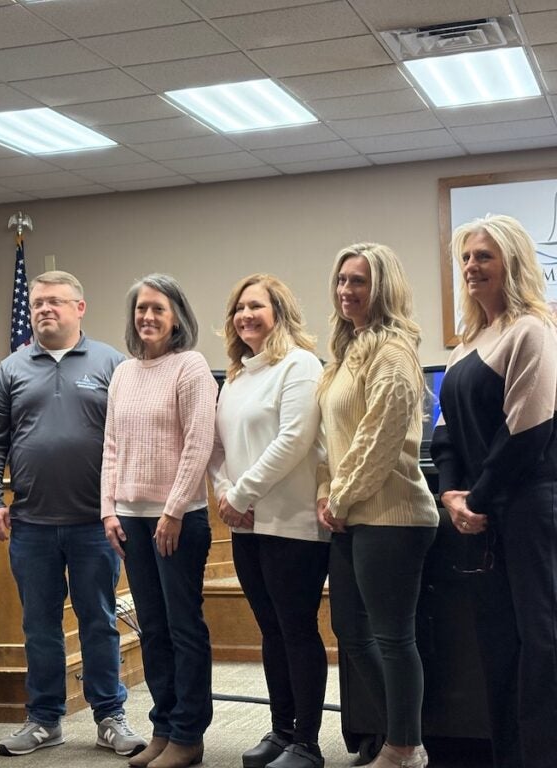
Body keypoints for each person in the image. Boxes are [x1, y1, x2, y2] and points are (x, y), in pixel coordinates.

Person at [0, 270, 147, 758]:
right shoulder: (10, 369)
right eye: (38, 303)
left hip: (96, 524)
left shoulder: (112, 364)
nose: (44, 309)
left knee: (98, 621)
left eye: (55, 301)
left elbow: (130, 438)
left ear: (80, 308)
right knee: (39, 627)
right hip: (31, 525)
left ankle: (110, 717)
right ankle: (44, 719)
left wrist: (122, 506)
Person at [431, 215, 557, 768]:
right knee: (499, 647)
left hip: (530, 510)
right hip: (481, 515)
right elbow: (444, 432)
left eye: (484, 255)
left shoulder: (532, 330)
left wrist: (474, 501)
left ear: (513, 262)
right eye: (466, 257)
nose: (471, 266)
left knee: (542, 645)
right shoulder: (468, 342)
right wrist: (451, 494)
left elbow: (527, 432)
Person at [317, 244, 438, 768]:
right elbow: (333, 440)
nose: (346, 290)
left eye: (359, 281)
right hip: (350, 515)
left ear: (383, 288)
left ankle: (405, 746)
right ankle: (399, 736)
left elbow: (378, 441)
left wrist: (340, 497)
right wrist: (327, 493)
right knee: (349, 630)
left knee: (392, 637)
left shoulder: (394, 352)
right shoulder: (346, 352)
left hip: (393, 517)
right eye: (342, 280)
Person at [210, 274, 329, 768]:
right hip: (245, 525)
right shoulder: (236, 376)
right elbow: (217, 447)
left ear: (279, 311)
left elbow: (294, 439)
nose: (245, 316)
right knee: (270, 629)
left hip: (291, 524)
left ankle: (308, 742)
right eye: (239, 308)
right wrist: (225, 494)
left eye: (255, 306)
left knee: (296, 629)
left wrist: (242, 493)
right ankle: (281, 731)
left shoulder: (300, 365)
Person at [101, 274, 216, 768]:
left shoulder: (190, 367)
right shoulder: (123, 373)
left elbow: (199, 443)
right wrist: (108, 509)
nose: (147, 316)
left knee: (182, 626)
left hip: (178, 521)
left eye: (158, 309)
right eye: (141, 308)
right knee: (151, 628)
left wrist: (173, 509)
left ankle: (189, 734)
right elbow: (111, 446)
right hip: (131, 520)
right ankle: (163, 729)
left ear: (176, 318)